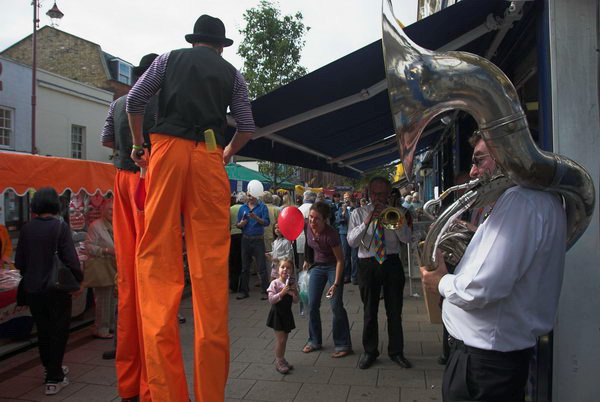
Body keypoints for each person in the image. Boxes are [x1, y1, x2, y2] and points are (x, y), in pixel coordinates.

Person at [126, 15, 254, 401]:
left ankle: (167, 394)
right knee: (210, 269)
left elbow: (135, 100)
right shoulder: (233, 75)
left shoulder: (167, 59)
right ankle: (211, 394)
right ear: (220, 46)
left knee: (157, 259)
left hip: (165, 151)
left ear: (194, 41)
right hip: (208, 159)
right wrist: (226, 152)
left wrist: (138, 143)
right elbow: (246, 126)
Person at [420, 132, 567, 402]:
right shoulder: (540, 200)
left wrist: (438, 281)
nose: (473, 171)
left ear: (509, 155)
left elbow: (479, 288)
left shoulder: (520, 200)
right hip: (490, 362)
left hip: (483, 367)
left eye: (479, 160)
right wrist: (477, 235)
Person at [101, 53, 157, 401]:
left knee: (128, 271)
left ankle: (129, 381)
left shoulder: (118, 102)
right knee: (150, 270)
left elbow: (107, 140)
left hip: (120, 177)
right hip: (146, 178)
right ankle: (151, 382)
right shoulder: (157, 102)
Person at [14, 187, 83, 396]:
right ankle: (54, 378)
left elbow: (20, 263)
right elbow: (71, 259)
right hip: (57, 288)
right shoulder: (60, 227)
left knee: (43, 331)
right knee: (59, 331)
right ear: (55, 204)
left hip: (33, 289)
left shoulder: (26, 228)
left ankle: (50, 368)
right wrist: (78, 280)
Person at [347, 177, 413, 370]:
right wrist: (367, 222)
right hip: (367, 263)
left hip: (391, 261)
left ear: (389, 194)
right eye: (375, 194)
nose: (378, 198)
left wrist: (396, 220)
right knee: (369, 311)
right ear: (369, 194)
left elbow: (407, 239)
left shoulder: (397, 213)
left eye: (383, 194)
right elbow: (351, 241)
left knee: (394, 311)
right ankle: (370, 351)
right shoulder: (358, 213)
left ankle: (396, 352)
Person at [301, 202, 353, 358]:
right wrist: (307, 259)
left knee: (336, 305)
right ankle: (314, 341)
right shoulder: (307, 227)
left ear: (325, 220)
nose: (312, 221)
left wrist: (336, 284)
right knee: (312, 303)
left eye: (316, 219)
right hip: (317, 266)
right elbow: (308, 245)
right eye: (310, 217)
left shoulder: (331, 235)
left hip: (332, 267)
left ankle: (343, 344)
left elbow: (340, 261)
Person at [83, 199, 117, 339]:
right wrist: (106, 250)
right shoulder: (95, 226)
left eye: (114, 210)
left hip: (114, 267)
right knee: (103, 299)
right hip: (102, 267)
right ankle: (101, 328)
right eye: (109, 210)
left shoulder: (117, 224)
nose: (112, 213)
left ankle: (110, 326)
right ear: (102, 210)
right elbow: (89, 247)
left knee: (112, 299)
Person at [266, 257, 298, 374]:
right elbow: (271, 300)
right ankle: (278, 361)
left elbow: (295, 301)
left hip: (287, 314)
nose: (285, 269)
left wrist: (295, 291)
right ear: (278, 270)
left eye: (288, 268)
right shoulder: (275, 283)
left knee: (285, 339)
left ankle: (282, 358)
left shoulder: (291, 284)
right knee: (281, 339)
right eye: (282, 267)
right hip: (277, 314)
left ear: (292, 271)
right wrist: (282, 293)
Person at [236, 191, 270, 300]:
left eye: (251, 195)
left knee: (262, 267)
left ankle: (265, 291)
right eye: (248, 195)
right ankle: (244, 291)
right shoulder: (242, 208)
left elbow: (266, 222)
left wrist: (255, 217)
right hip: (246, 239)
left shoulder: (262, 207)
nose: (249, 197)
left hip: (258, 240)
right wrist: (240, 224)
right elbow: (238, 224)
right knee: (244, 267)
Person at [229, 192, 246, 293]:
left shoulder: (230, 209)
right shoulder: (245, 209)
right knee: (243, 261)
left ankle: (233, 285)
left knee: (233, 261)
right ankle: (242, 285)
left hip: (232, 235)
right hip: (243, 235)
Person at [335, 195, 353, 284]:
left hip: (354, 233)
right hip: (344, 233)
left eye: (348, 197)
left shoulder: (354, 208)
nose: (346, 199)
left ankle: (355, 276)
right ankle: (347, 276)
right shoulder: (340, 209)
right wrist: (343, 213)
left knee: (355, 256)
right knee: (346, 255)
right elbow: (338, 221)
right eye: (345, 197)